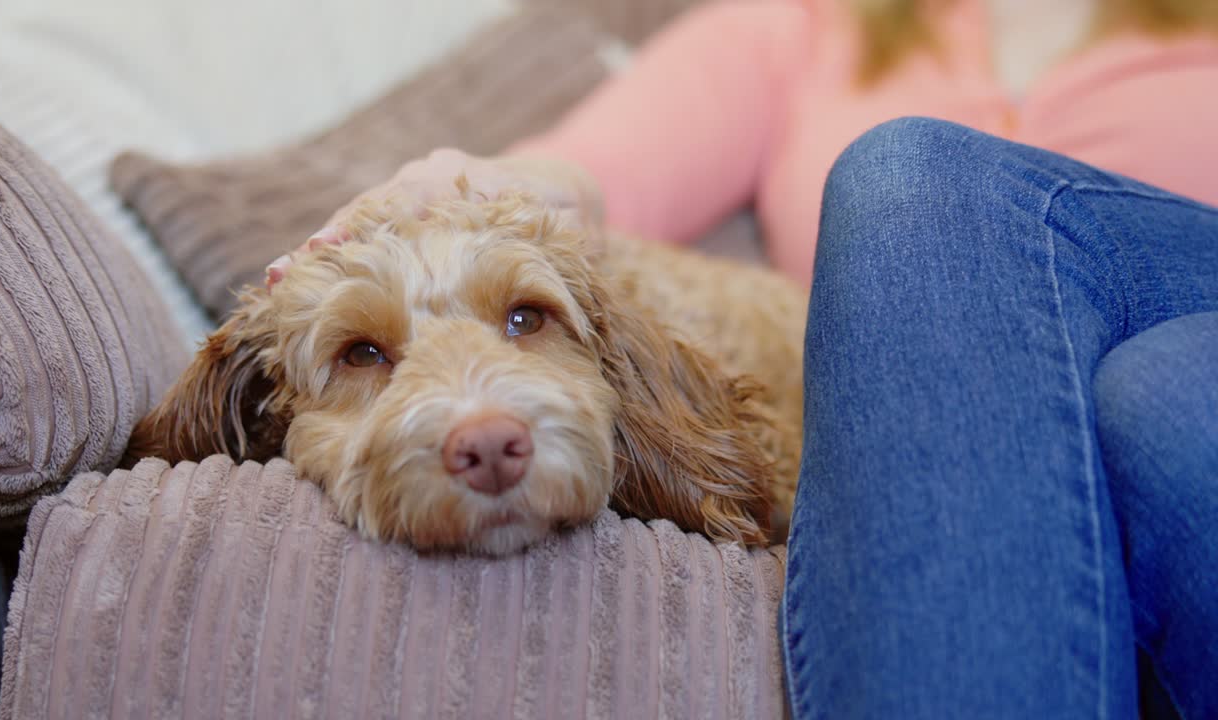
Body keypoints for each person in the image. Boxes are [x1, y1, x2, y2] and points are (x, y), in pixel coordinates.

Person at [267, 1, 1218, 716]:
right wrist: (491, 187)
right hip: (1047, 443)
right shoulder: (801, 25)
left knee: (919, 181)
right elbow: (582, 187)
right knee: (1156, 406)